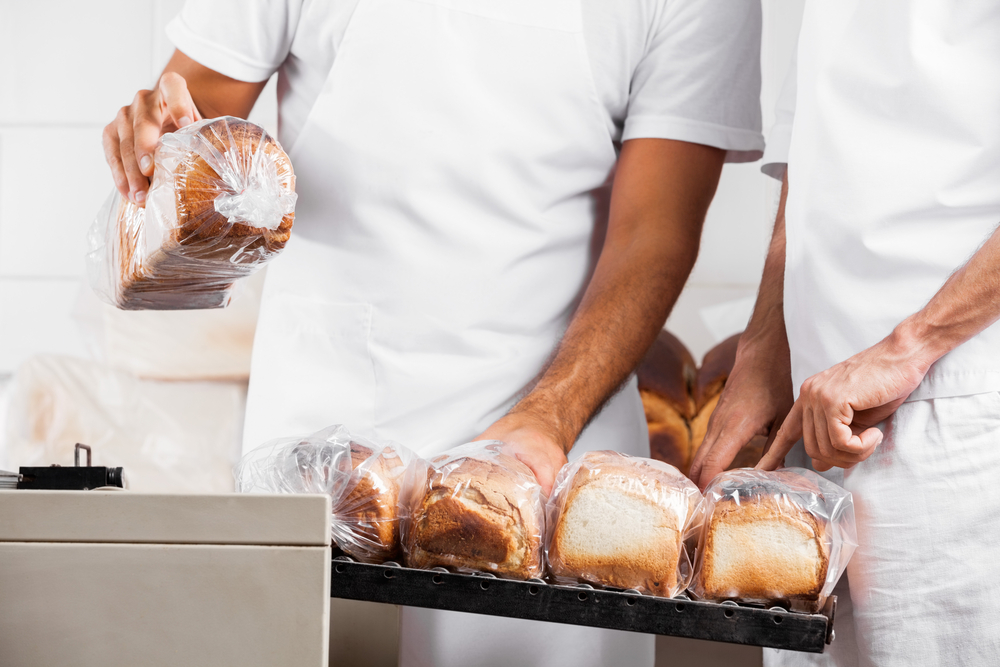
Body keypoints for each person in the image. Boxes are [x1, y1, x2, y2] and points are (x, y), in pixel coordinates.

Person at [104, 0, 763, 665]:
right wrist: (172, 141)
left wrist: (549, 418)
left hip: (549, 440)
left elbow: (655, 233)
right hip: (325, 431)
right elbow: (204, 109)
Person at [689, 2, 1000, 666]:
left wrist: (913, 343)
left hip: (963, 421)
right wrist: (767, 340)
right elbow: (816, 131)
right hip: (820, 417)